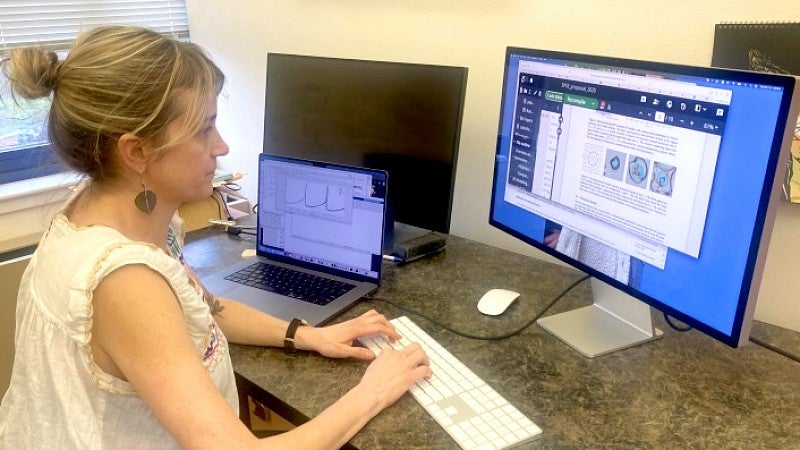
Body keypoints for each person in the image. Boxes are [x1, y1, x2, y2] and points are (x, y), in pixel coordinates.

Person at [0, 25, 430, 449]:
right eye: (204, 129)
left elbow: (205, 309)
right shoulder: (124, 281)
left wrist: (306, 335)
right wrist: (372, 391)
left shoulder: (108, 210)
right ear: (136, 152)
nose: (221, 146)